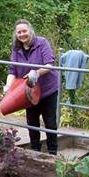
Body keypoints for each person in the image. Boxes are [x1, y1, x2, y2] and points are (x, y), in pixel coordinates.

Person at [4, 19, 58, 155]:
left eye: (24, 31)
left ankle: (52, 152)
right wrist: (8, 86)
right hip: (28, 92)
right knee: (32, 121)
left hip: (47, 89)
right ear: (16, 34)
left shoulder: (42, 43)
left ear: (30, 31)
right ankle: (35, 150)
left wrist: (36, 72)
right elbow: (12, 70)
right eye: (19, 32)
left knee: (50, 121)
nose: (22, 34)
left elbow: (50, 64)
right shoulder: (16, 48)